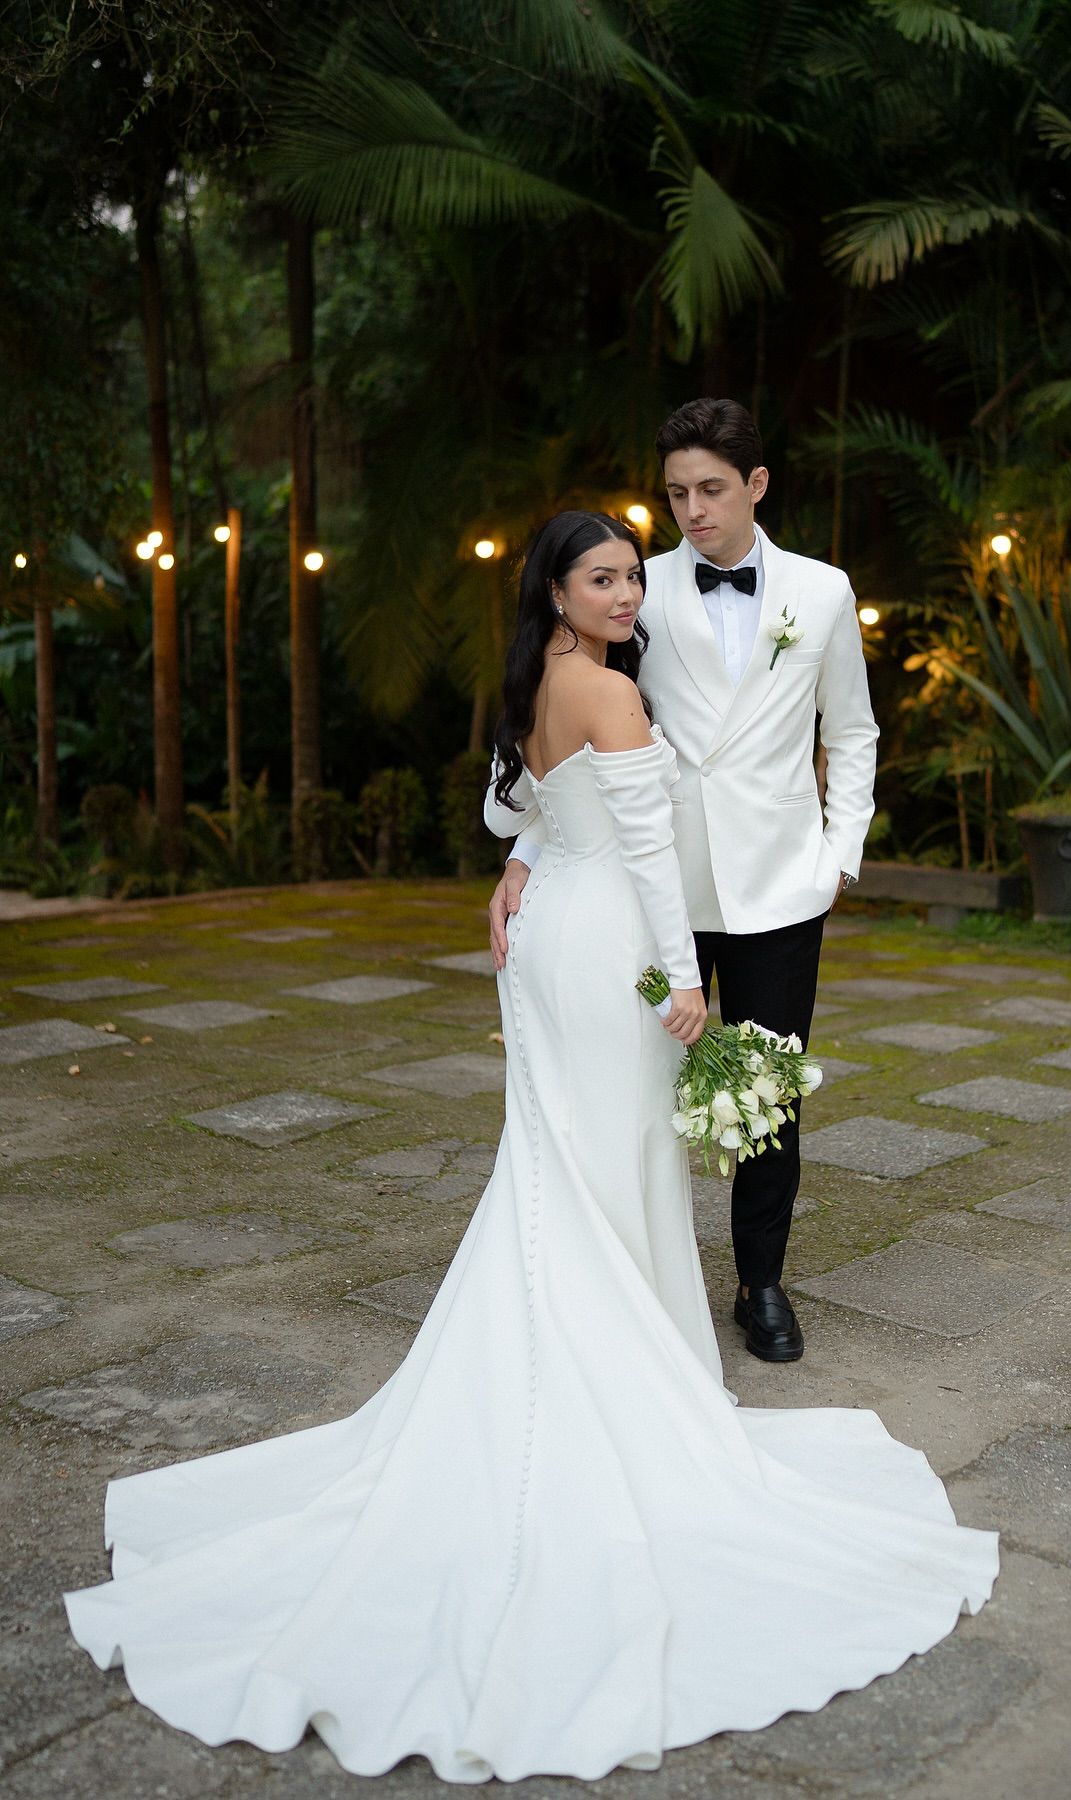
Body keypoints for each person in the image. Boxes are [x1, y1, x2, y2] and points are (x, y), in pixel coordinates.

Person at [62, 508, 998, 1787]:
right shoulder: (607, 697)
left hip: (552, 930)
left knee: (565, 1165)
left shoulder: (534, 688)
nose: (628, 595)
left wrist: (514, 874)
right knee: (601, 1168)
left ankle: (594, 1347)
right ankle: (613, 1378)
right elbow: (657, 856)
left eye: (630, 576)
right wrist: (683, 981)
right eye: (605, 579)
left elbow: (519, 811)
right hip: (610, 948)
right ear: (559, 593)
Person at [490, 397, 878, 1363]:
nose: (692, 510)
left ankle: (761, 1281)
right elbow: (576, 757)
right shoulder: (630, 587)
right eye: (676, 493)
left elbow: (853, 733)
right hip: (648, 891)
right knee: (640, 1086)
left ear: (755, 484)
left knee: (770, 1093)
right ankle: (640, 1281)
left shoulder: (823, 593)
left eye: (710, 489)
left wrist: (840, 855)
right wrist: (525, 853)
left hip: (784, 884)